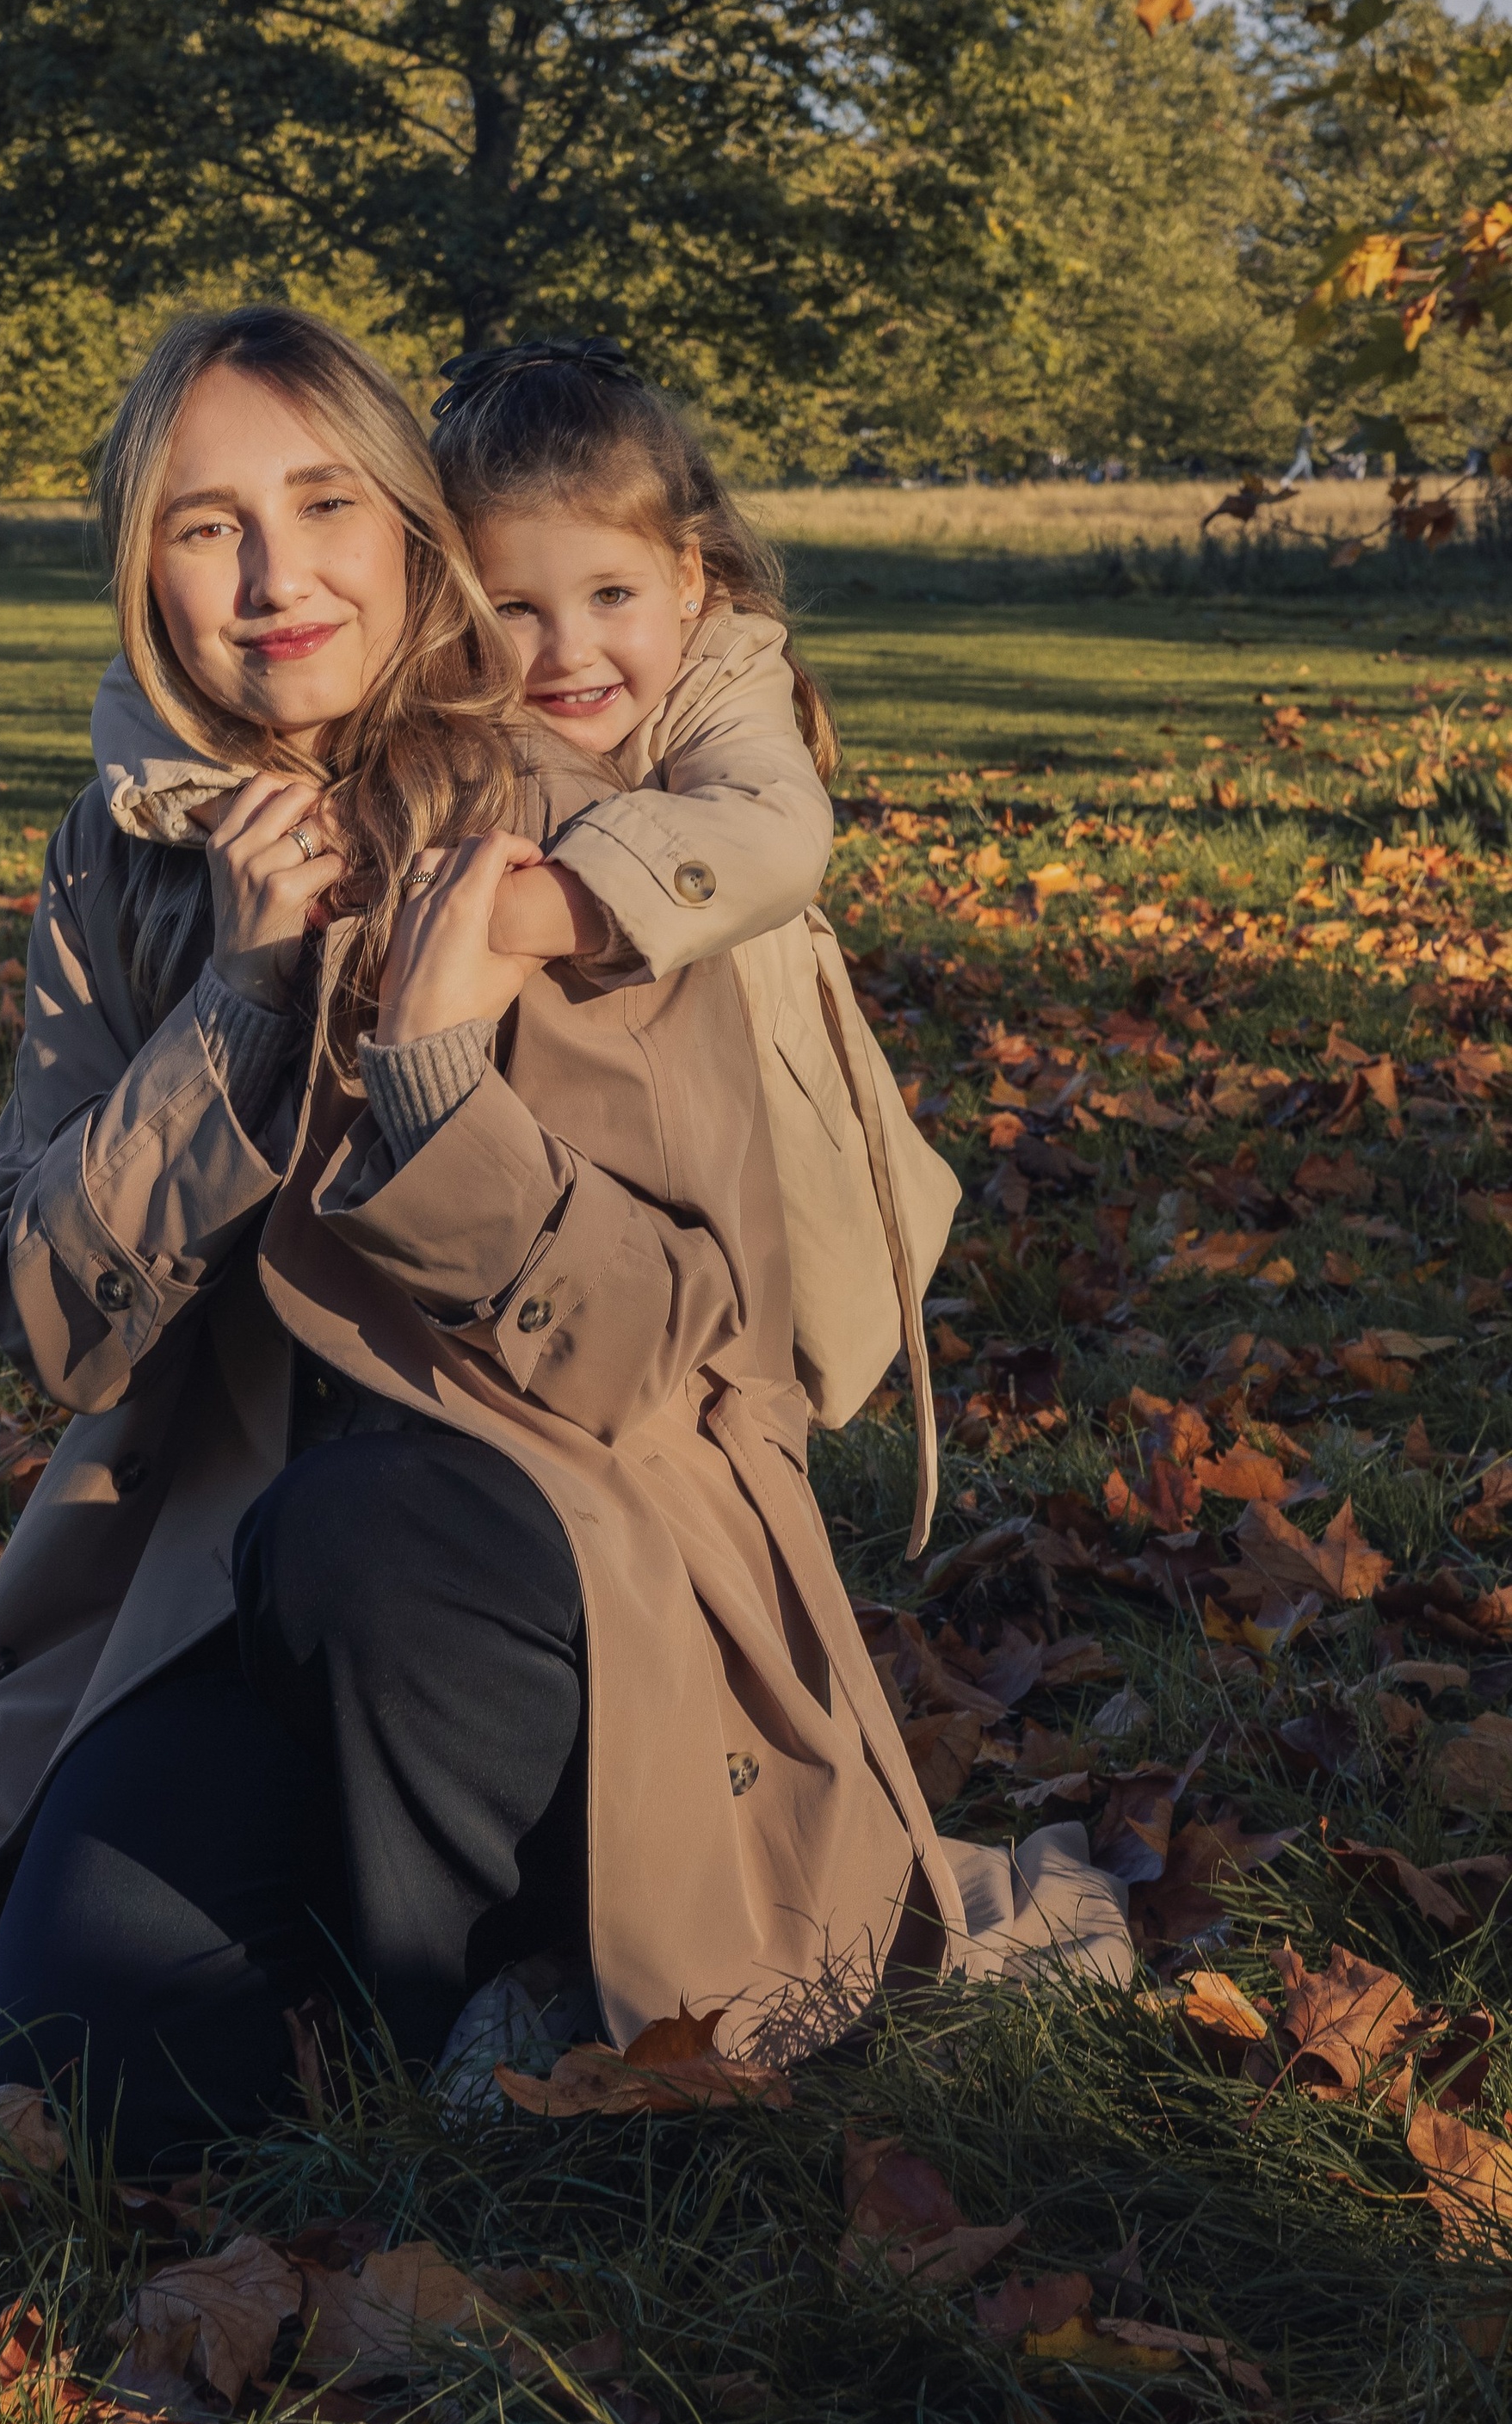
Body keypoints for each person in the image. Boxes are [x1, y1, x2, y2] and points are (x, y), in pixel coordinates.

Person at [0, 305, 1122, 2165]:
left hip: (571, 1543)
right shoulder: (120, 853)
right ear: (139, 565)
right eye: (201, 522)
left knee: (367, 1530)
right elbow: (45, 1320)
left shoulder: (579, 848)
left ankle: (555, 1999)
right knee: (88, 2060)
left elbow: (659, 1346)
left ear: (408, 529)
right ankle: (417, 1967)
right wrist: (234, 1003)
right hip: (233, 1574)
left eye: (321, 504)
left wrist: (430, 1081)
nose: (270, 578)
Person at [96, 332, 963, 1552]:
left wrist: (525, 912)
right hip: (489, 1319)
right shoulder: (435, 733)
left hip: (773, 1105)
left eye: (611, 596)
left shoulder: (720, 677)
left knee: (784, 1340)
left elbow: (776, 831)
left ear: (690, 583)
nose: (564, 652)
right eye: (514, 610)